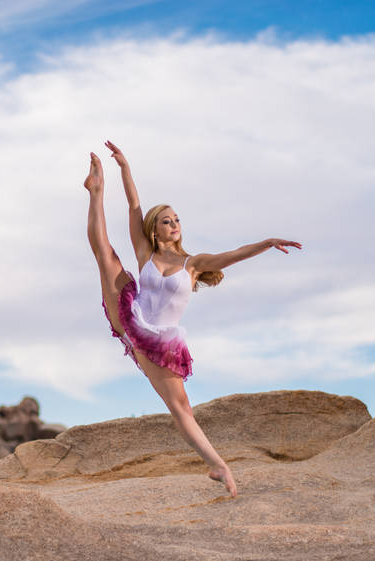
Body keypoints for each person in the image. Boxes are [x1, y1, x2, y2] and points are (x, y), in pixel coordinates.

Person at [84, 140, 301, 498]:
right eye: (166, 221)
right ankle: (95, 191)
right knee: (104, 254)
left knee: (180, 407)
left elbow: (232, 254)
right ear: (155, 230)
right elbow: (135, 206)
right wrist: (124, 169)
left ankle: (218, 466)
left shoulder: (194, 264)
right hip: (131, 313)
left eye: (177, 220)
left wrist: (265, 243)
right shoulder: (146, 253)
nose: (173, 224)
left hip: (159, 341)